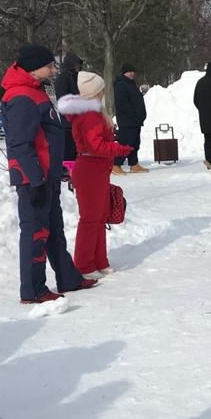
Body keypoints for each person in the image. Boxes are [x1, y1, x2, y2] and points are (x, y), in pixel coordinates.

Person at [1, 44, 97, 303]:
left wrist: (57, 170)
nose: (54, 69)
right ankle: (33, 289)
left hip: (48, 175)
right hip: (34, 179)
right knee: (36, 232)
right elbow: (20, 145)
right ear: (33, 68)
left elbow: (46, 138)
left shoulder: (37, 91)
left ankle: (68, 277)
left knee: (54, 228)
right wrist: (34, 180)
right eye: (49, 65)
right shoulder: (22, 96)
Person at [56, 71, 133, 278]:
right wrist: (119, 149)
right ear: (97, 92)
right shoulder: (89, 116)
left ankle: (99, 260)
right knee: (90, 219)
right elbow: (96, 145)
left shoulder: (93, 113)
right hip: (90, 169)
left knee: (99, 217)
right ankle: (84, 264)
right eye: (101, 90)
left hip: (97, 169)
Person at [113, 63, 148, 175]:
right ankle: (116, 164)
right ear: (124, 72)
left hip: (135, 121)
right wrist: (133, 114)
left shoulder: (131, 84)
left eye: (133, 71)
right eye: (129, 71)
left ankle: (134, 164)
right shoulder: (121, 85)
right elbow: (122, 103)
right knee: (125, 143)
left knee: (135, 143)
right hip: (127, 121)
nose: (132, 73)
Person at [54, 52, 83, 164]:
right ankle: (66, 167)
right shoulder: (63, 77)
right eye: (76, 64)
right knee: (69, 144)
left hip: (77, 116)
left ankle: (74, 163)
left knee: (75, 144)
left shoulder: (75, 76)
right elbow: (62, 97)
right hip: (68, 118)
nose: (78, 67)